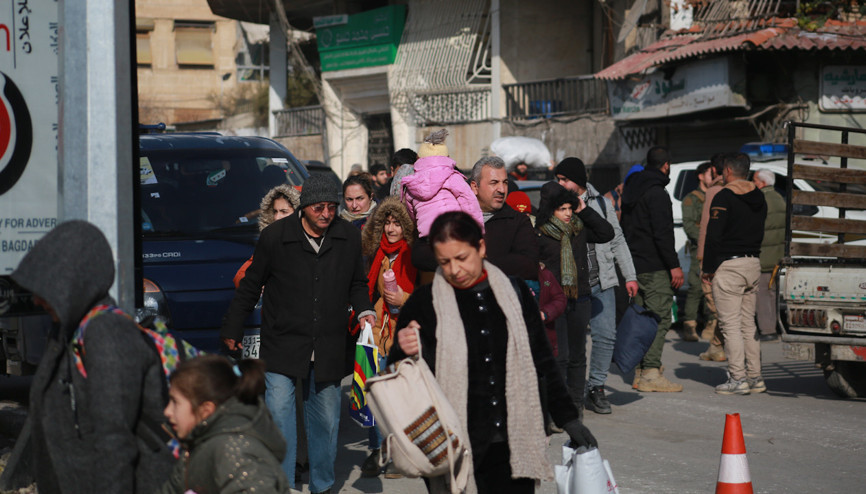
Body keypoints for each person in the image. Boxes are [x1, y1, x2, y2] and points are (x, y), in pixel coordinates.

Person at [389, 211, 598, 493]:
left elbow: (542, 357)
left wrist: (567, 418)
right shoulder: (423, 303)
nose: (454, 270)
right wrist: (405, 350)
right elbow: (396, 375)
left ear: (481, 248)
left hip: (514, 443)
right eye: (444, 262)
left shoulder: (516, 292)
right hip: (453, 445)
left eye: (462, 258)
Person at [221, 174, 375, 494]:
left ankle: (322, 486)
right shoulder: (276, 238)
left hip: (329, 343)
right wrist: (234, 326)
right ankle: (283, 484)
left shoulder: (347, 237)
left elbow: (357, 284)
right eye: (319, 207)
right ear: (304, 208)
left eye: (331, 207)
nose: (326, 214)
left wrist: (364, 309)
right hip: (283, 340)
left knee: (326, 422)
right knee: (279, 413)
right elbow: (251, 284)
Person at [9, 221, 174, 493]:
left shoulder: (107, 335)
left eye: (46, 288)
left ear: (74, 283)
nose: (37, 300)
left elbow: (115, 444)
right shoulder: (66, 331)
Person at [554, 157, 638, 415]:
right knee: (571, 343)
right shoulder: (556, 203)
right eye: (558, 180)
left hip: (601, 281)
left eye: (564, 180)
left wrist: (630, 275)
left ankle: (597, 387)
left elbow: (617, 240)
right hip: (571, 286)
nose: (560, 184)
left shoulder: (602, 203)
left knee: (605, 336)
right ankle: (571, 390)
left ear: (578, 182)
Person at [535, 181, 614, 416]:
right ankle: (558, 407)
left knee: (578, 357)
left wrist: (584, 209)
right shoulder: (540, 234)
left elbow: (607, 233)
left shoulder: (580, 228)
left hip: (580, 298)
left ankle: (575, 405)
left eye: (570, 208)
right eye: (563, 209)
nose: (568, 214)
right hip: (554, 303)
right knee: (560, 356)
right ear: (551, 210)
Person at [157, 356, 290, 494]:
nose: (167, 411)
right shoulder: (196, 446)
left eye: (175, 402)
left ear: (205, 410)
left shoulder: (234, 450)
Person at [358, 196, 417, 477]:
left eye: (397, 223)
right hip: (379, 331)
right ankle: (377, 451)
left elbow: (426, 296)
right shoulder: (377, 253)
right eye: (387, 223)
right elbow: (368, 289)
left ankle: (399, 454)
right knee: (376, 393)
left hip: (404, 332)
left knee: (400, 397)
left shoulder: (414, 254)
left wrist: (404, 297)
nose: (391, 229)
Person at [621, 146, 685, 392]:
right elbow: (663, 234)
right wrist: (674, 265)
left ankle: (640, 371)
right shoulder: (657, 193)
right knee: (658, 320)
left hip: (634, 265)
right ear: (666, 165)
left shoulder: (631, 188)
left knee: (640, 320)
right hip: (655, 266)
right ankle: (650, 372)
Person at [702, 153, 767, 395]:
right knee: (748, 325)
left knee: (730, 326)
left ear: (727, 171)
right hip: (753, 264)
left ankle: (738, 378)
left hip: (730, 266)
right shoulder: (759, 196)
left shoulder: (724, 196)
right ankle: (755, 377)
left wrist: (708, 268)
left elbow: (713, 236)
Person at [399, 129, 484, 238]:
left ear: (419, 159)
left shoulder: (411, 183)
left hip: (426, 237)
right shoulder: (452, 177)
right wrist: (478, 232)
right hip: (452, 231)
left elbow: (412, 214)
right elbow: (469, 203)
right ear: (446, 158)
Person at [234, 184, 301, 287]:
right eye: (275, 212)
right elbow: (242, 276)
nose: (277, 217)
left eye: (284, 212)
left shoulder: (320, 242)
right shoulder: (272, 241)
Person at [680, 162, 716, 342]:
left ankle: (711, 324)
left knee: (713, 288)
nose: (714, 176)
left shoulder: (716, 195)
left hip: (715, 249)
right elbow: (689, 226)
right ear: (701, 176)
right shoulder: (692, 199)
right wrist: (706, 240)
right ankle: (690, 325)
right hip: (699, 248)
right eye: (710, 173)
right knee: (695, 287)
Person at [697, 155, 728, 361]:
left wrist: (702, 258)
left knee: (718, 305)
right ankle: (717, 346)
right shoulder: (749, 189)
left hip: (715, 256)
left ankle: (719, 346)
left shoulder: (714, 191)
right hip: (738, 255)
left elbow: (706, 228)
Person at [753, 169, 785, 340]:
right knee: (772, 293)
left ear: (762, 183)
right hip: (776, 255)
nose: (753, 184)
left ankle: (767, 330)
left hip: (764, 255)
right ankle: (773, 327)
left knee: (763, 295)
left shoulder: (761, 200)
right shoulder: (779, 198)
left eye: (754, 180)